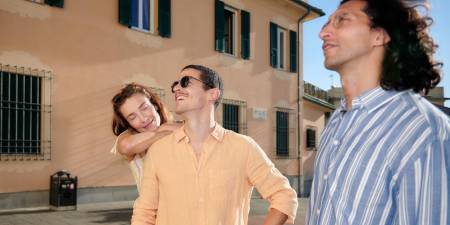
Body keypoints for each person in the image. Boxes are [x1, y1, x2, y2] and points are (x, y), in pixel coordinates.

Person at [306, 0, 449, 225]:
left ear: (380, 35)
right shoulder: (336, 121)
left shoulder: (424, 130)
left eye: (341, 20)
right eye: (326, 23)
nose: (323, 33)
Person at [131, 65, 298, 225]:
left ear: (212, 94)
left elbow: (284, 196)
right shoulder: (158, 151)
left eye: (185, 81)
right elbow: (144, 213)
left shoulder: (243, 148)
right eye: (175, 84)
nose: (176, 89)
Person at [111, 83, 179, 192]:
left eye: (144, 108)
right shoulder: (130, 137)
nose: (143, 118)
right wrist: (161, 132)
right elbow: (125, 146)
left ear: (154, 104)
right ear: (128, 123)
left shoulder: (175, 126)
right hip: (154, 207)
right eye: (133, 117)